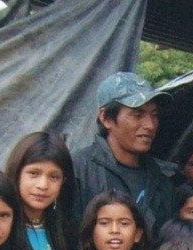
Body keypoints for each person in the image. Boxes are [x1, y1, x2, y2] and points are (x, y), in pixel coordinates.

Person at [72, 72, 174, 236]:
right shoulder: (78, 170)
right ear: (106, 118)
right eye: (137, 114)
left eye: (154, 115)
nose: (150, 125)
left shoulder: (162, 177)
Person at [5, 131, 80, 250]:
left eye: (54, 177)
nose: (43, 185)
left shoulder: (68, 233)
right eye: (34, 173)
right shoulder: (2, 229)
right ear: (17, 173)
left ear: (63, 182)